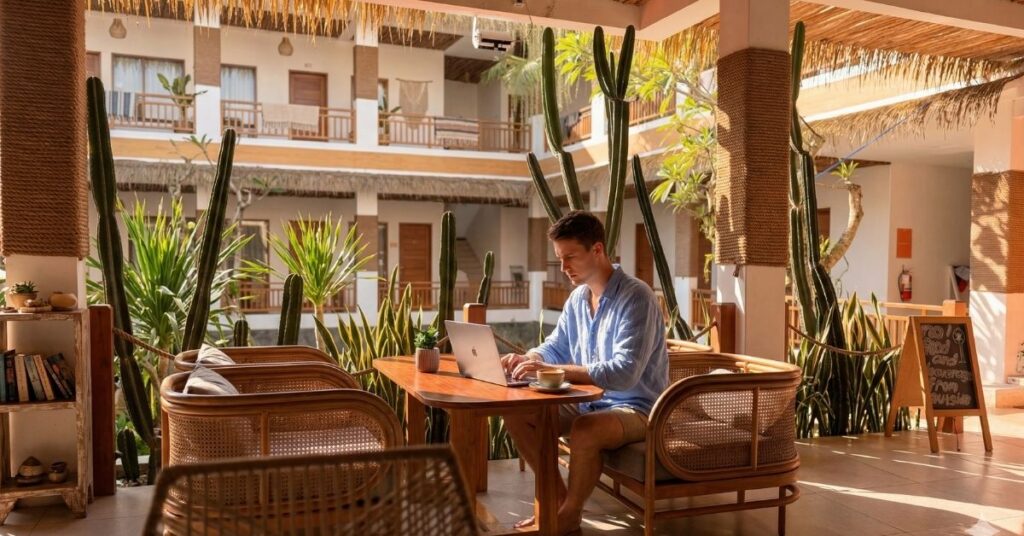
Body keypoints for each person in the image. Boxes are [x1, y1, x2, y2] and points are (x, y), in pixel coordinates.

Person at [501, 210, 667, 535]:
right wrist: (528, 358)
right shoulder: (578, 299)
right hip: (588, 401)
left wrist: (550, 368)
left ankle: (568, 514)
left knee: (586, 430)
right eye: (560, 259)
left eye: (570, 257)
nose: (564, 268)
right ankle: (558, 505)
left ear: (597, 250)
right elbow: (556, 345)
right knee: (516, 411)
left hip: (638, 408)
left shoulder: (637, 298)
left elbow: (624, 373)